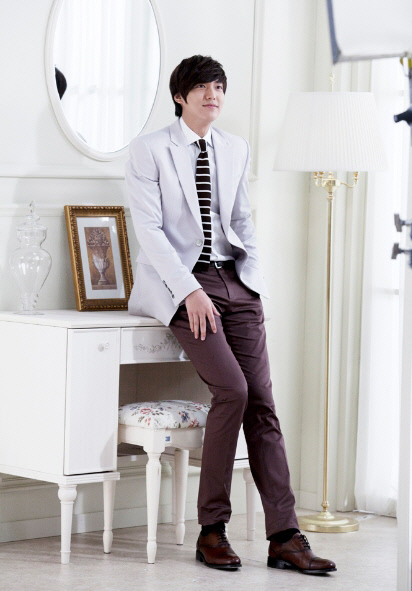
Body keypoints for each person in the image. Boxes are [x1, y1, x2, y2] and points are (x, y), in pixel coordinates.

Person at [125, 54, 336, 576]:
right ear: (180, 96)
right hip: (180, 286)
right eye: (202, 87)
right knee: (233, 391)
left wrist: (253, 283)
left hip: (236, 284)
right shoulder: (149, 149)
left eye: (219, 86)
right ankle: (212, 530)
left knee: (262, 403)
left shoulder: (235, 148)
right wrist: (189, 291)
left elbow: (243, 220)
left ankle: (285, 537)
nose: (212, 95)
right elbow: (149, 231)